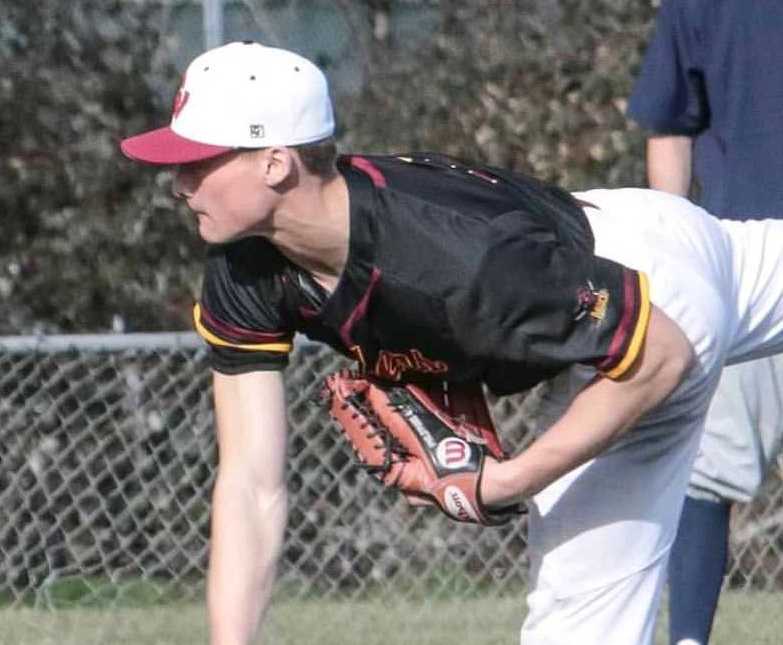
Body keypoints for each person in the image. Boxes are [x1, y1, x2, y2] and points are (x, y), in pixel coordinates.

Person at [120, 41, 783, 645]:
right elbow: (249, 482)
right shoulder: (244, 266)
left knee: (577, 621)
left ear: (274, 163)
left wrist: (506, 480)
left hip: (648, 305)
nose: (179, 182)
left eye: (197, 162)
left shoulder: (450, 259)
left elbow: (659, 354)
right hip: (595, 241)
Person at [627, 2, 783, 643]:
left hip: (737, 262)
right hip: (738, 259)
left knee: (706, 477)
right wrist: (678, 248)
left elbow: (668, 125)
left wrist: (677, 251)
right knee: (707, 474)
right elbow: (668, 122)